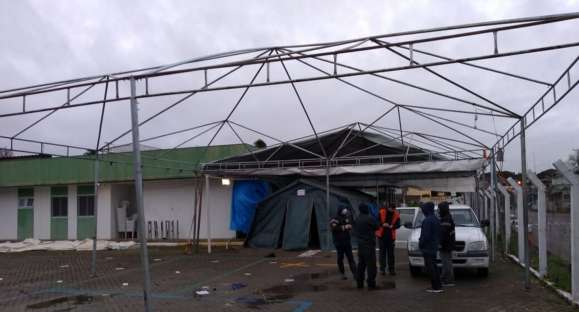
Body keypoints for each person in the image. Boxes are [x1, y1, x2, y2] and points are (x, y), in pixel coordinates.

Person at [354, 203, 380, 289]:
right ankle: (371, 284)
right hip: (368, 245)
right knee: (371, 265)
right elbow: (377, 227)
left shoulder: (357, 219)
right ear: (366, 209)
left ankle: (359, 283)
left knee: (361, 265)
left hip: (360, 245)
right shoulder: (369, 218)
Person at [419, 202, 443, 293]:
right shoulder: (436, 219)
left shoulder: (427, 220)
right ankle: (438, 285)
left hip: (428, 247)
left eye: (423, 209)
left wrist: (421, 244)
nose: (422, 210)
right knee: (434, 266)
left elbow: (425, 236)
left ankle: (435, 287)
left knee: (431, 267)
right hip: (433, 246)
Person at [330, 206, 357, 280]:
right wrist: (344, 227)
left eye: (345, 209)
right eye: (344, 209)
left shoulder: (346, 217)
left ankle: (355, 273)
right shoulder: (335, 218)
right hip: (339, 242)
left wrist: (349, 226)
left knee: (351, 258)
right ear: (340, 210)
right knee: (340, 258)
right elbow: (333, 228)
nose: (345, 210)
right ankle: (342, 273)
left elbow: (349, 225)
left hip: (347, 241)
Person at [376, 203, 401, 276]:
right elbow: (376, 222)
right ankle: (382, 269)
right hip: (381, 236)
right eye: (391, 209)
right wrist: (382, 224)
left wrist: (393, 226)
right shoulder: (381, 212)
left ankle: (391, 269)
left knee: (391, 254)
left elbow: (398, 224)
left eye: (394, 209)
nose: (392, 210)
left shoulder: (396, 214)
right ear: (388, 208)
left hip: (391, 237)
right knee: (382, 253)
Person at [439, 201, 456, 286]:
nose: (438, 211)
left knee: (446, 263)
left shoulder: (446, 219)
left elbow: (443, 233)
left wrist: (440, 243)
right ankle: (448, 279)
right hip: (448, 244)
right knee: (448, 262)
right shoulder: (448, 217)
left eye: (439, 209)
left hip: (445, 245)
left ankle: (447, 280)